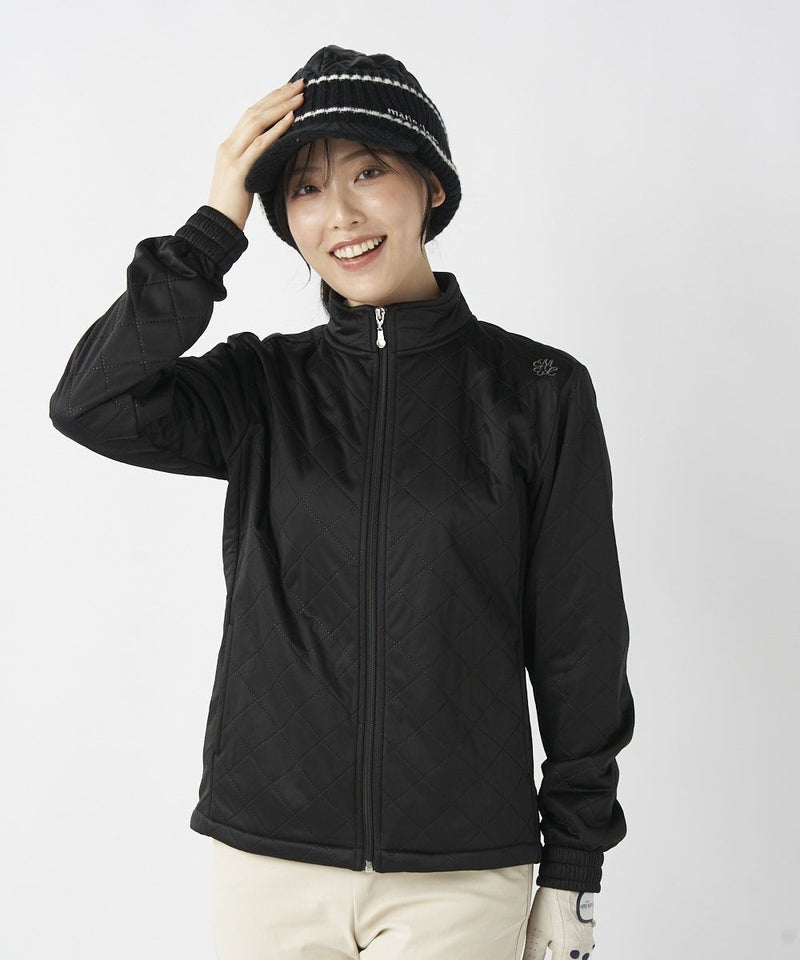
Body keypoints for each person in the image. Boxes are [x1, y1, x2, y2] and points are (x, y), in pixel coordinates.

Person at [49, 44, 634, 960]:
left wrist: (574, 867)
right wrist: (211, 229)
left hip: (460, 871)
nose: (341, 216)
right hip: (269, 859)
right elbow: (88, 402)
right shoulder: (262, 388)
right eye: (306, 189)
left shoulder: (538, 391)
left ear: (431, 186)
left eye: (369, 173)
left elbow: (579, 643)